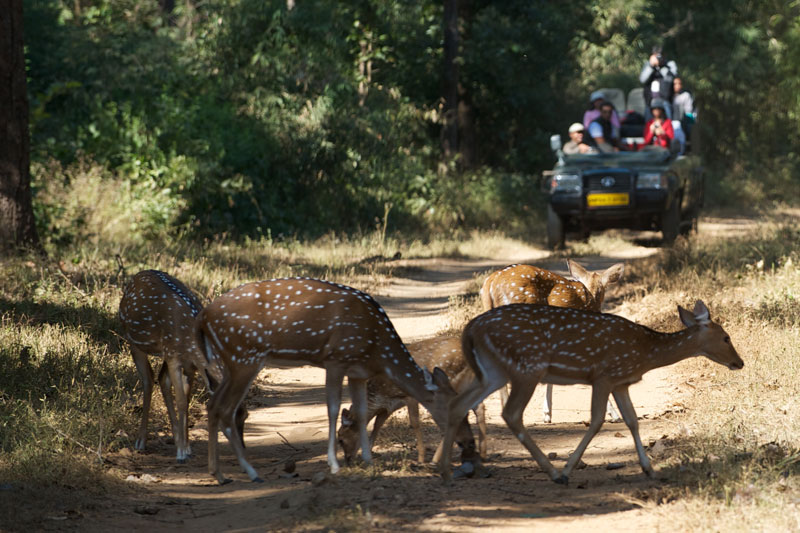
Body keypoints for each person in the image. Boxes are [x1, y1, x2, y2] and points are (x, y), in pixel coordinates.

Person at [639, 46, 678, 119]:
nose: (658, 58)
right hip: (650, 101)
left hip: (665, 101)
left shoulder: (670, 64)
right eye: (656, 55)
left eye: (660, 55)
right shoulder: (648, 64)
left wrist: (662, 66)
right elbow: (642, 80)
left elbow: (671, 79)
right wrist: (651, 67)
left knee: (667, 125)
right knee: (649, 126)